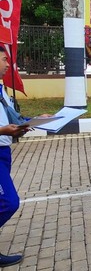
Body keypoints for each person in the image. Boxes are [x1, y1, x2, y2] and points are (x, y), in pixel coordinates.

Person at [0, 45, 32, 267]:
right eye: (3, 59)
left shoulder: (1, 88)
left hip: (4, 151)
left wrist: (33, 120)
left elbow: (9, 116)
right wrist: (3, 131)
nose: (6, 65)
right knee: (9, 202)